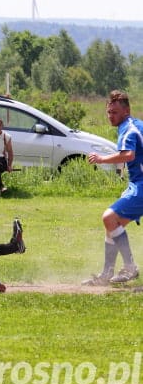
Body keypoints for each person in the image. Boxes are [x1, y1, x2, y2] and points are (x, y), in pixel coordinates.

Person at [83, 90, 142, 286]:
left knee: (109, 218)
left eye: (114, 112)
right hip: (137, 184)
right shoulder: (132, 125)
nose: (110, 116)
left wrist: (101, 159)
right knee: (112, 225)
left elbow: (128, 155)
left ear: (126, 111)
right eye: (109, 112)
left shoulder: (129, 129)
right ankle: (107, 274)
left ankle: (130, 267)